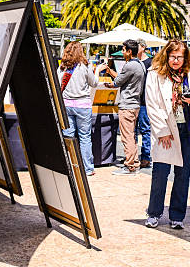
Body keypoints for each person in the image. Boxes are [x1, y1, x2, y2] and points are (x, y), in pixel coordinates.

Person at [144, 39, 190, 229]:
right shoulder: (155, 74)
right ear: (166, 55)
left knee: (183, 174)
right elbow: (152, 104)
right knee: (160, 173)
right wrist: (162, 131)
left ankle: (177, 216)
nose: (175, 61)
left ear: (185, 57)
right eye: (172, 57)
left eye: (179, 57)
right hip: (166, 130)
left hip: (188, 129)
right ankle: (154, 213)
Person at [57, 41, 107, 176]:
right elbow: (94, 83)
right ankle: (87, 168)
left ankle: (68, 166)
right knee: (85, 137)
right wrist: (97, 70)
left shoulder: (62, 67)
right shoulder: (84, 67)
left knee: (68, 135)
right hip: (83, 106)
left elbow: (56, 84)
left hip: (66, 105)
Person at [105, 39, 146, 175]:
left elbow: (117, 82)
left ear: (129, 51)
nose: (122, 52)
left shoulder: (129, 66)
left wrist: (109, 78)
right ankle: (134, 162)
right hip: (135, 104)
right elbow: (123, 81)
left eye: (123, 50)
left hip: (127, 105)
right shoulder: (140, 64)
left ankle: (129, 166)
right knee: (131, 135)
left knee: (126, 136)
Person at [135, 38, 152, 169]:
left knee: (145, 129)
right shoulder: (134, 62)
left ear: (143, 47)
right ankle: (134, 156)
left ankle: (145, 157)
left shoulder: (150, 63)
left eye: (137, 47)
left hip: (145, 101)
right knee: (133, 130)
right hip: (134, 100)